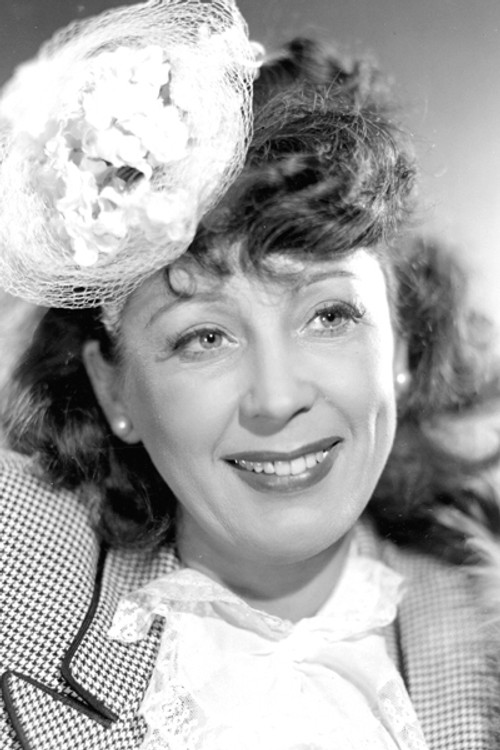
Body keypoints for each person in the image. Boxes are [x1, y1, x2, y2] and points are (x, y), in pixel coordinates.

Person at [0, 1, 499, 749]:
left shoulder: (482, 639)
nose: (278, 396)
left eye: (329, 316)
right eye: (204, 337)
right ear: (112, 388)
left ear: (400, 344)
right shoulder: (15, 588)